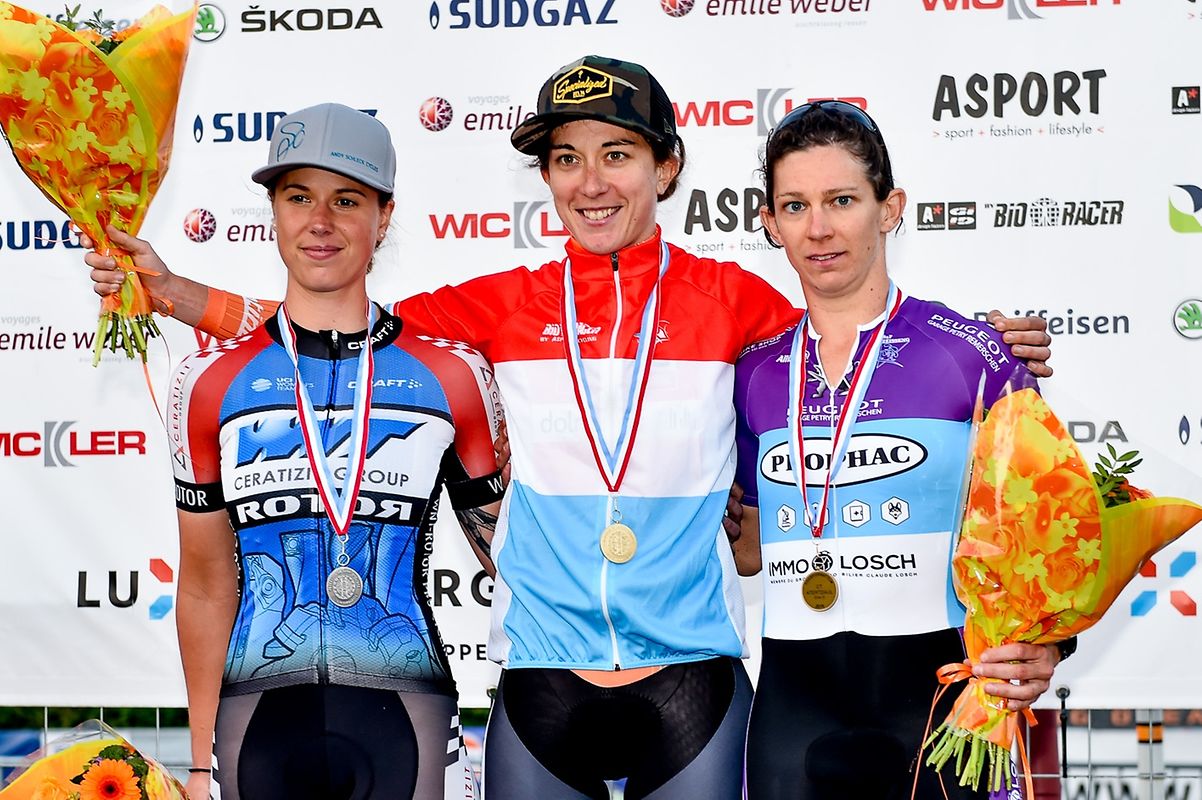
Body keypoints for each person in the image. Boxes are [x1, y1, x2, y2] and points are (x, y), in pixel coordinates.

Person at [85, 58, 1052, 799]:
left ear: (668, 167)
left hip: (698, 686)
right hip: (541, 680)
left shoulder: (738, 305)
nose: (590, 181)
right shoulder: (497, 306)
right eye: (566, 158)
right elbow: (331, 323)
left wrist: (984, 344)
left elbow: (857, 333)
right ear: (546, 176)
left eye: (618, 153)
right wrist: (180, 295)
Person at [163, 103, 503, 800]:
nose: (320, 222)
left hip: (406, 714)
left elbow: (514, 556)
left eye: (346, 200)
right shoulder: (208, 382)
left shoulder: (452, 374)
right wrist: (201, 764)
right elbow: (201, 584)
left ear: (384, 215)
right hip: (255, 727)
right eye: (298, 198)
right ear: (273, 213)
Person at [732, 101, 1069, 799]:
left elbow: (1057, 530)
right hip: (793, 716)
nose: (818, 228)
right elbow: (748, 545)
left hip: (944, 707)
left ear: (890, 209)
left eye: (842, 200)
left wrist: (1052, 644)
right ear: (769, 223)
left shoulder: (973, 355)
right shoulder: (753, 374)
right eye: (794, 205)